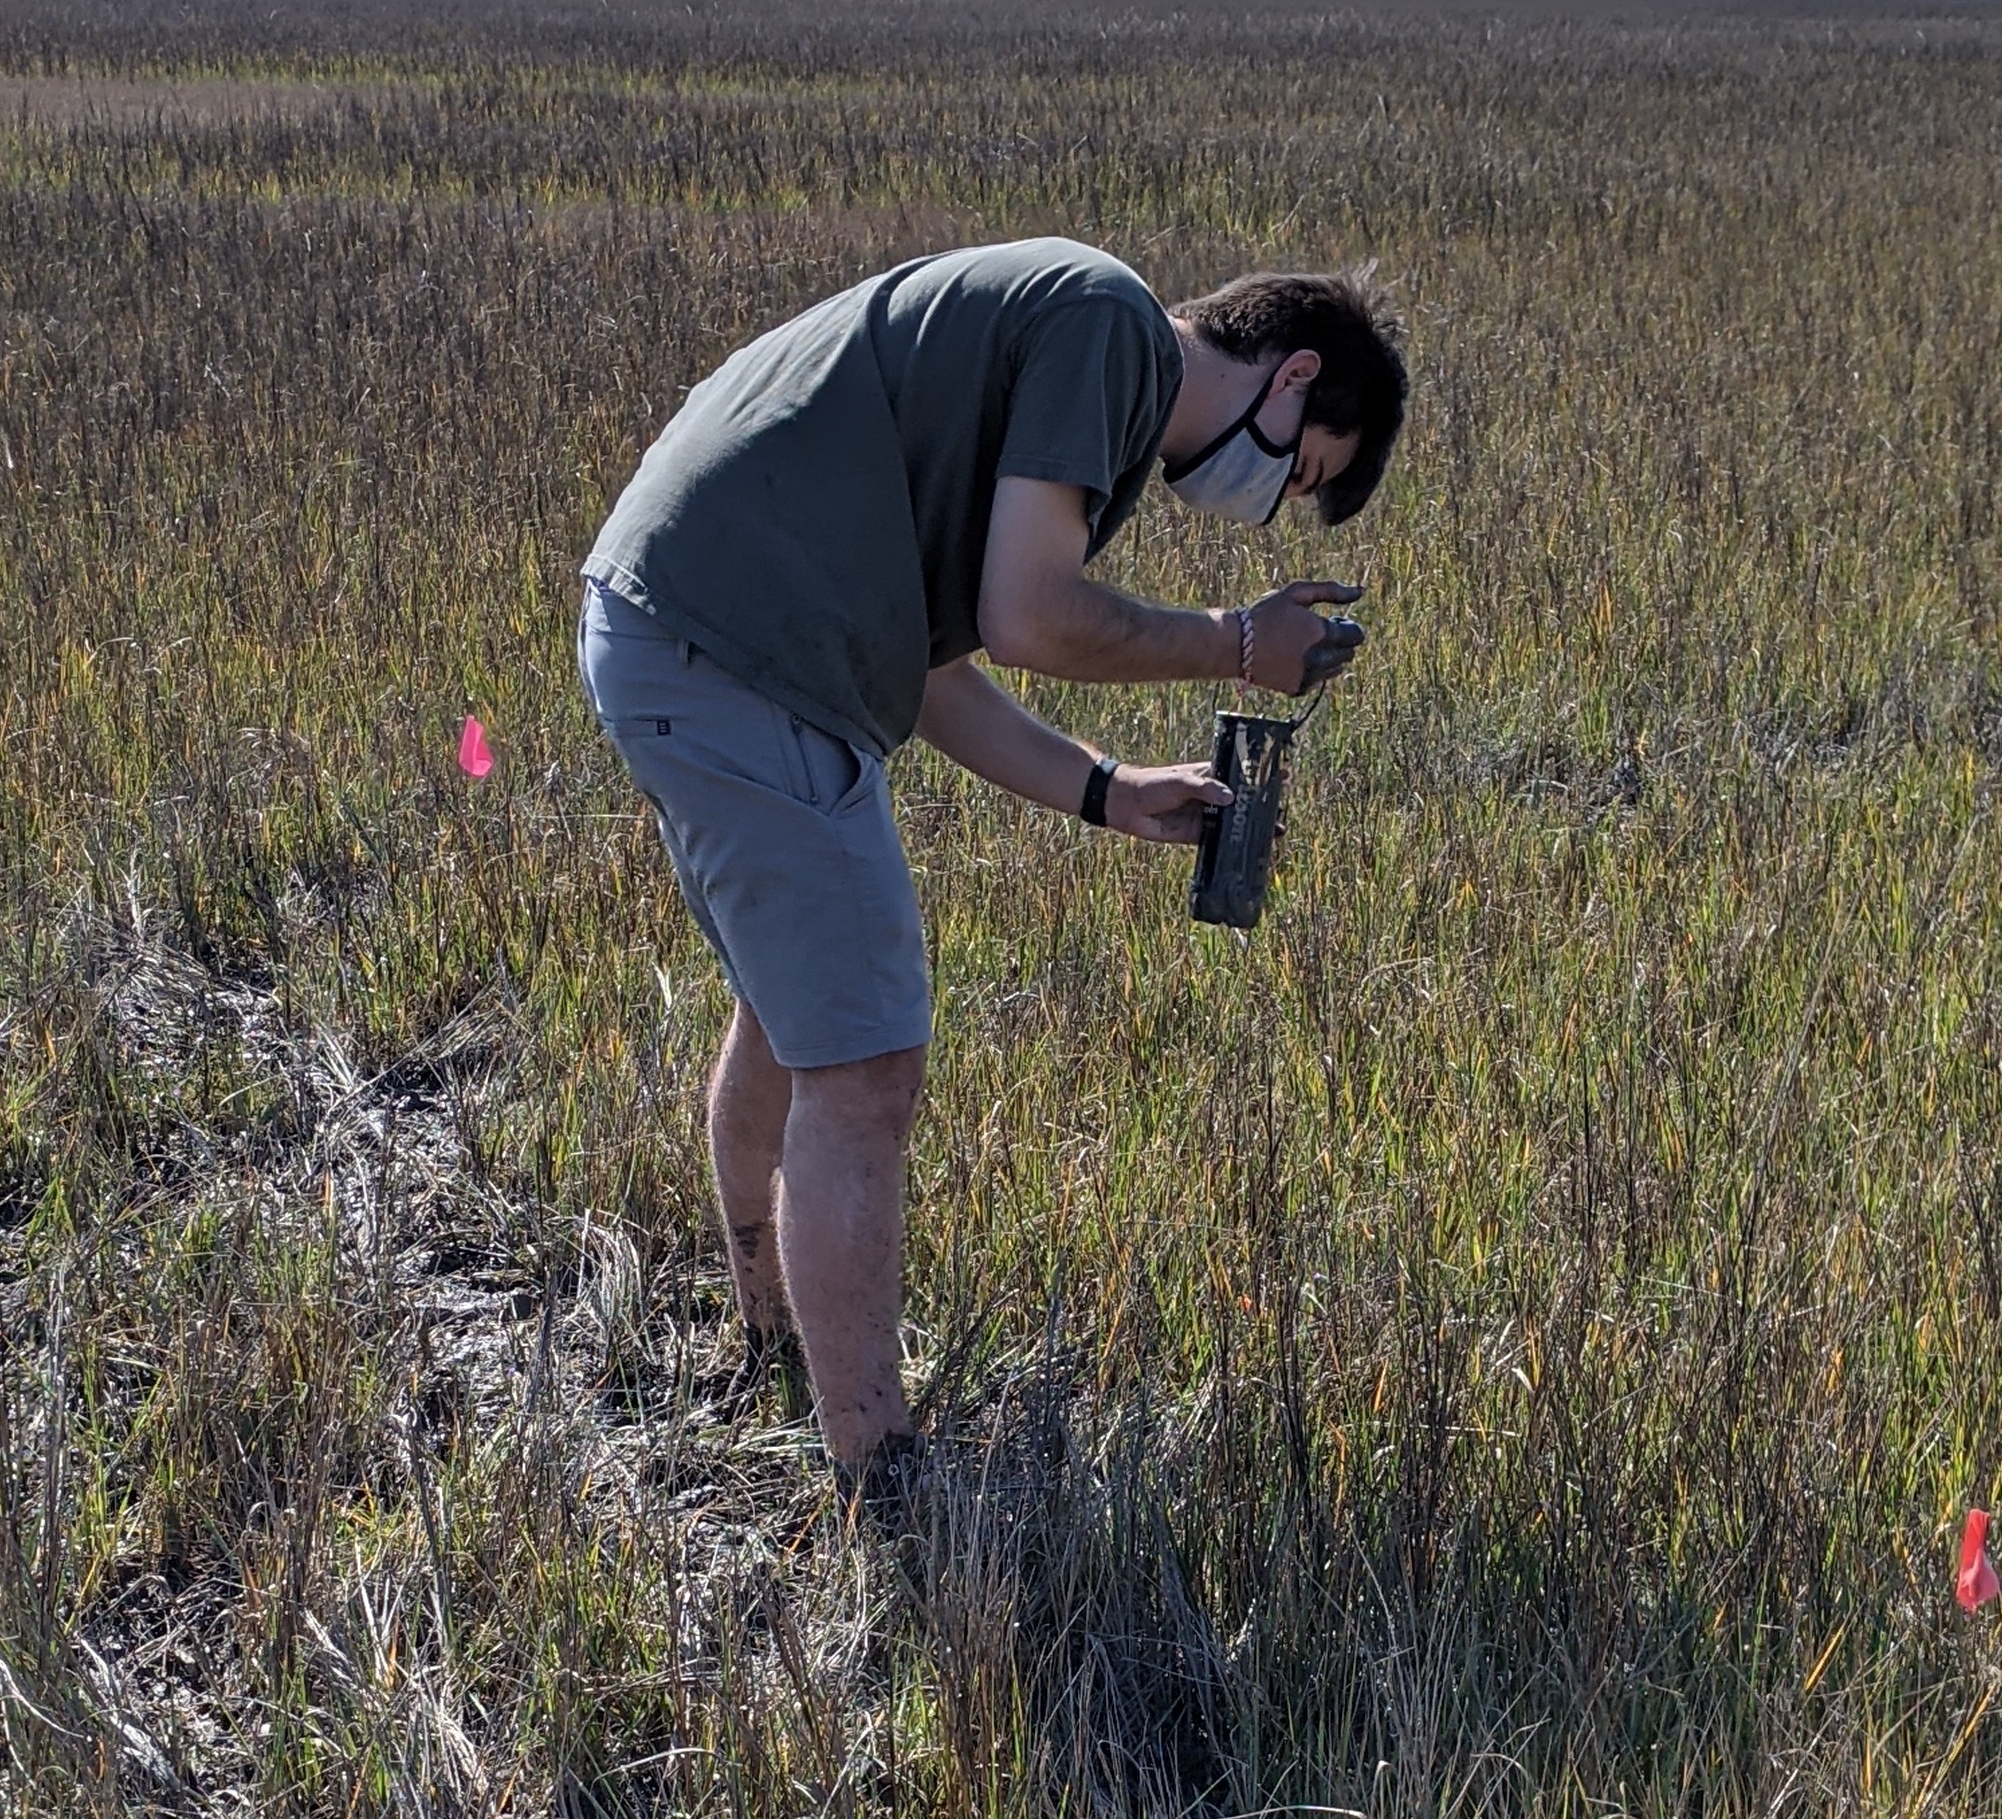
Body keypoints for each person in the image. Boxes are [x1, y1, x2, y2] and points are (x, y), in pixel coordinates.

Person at [573, 237, 1409, 1497]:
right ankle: (879, 1472)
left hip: (679, 619)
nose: (1273, 499)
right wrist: (1241, 643)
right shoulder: (1111, 330)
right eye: (1303, 471)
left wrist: (1105, 790)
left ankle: (763, 1327)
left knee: (798, 1005)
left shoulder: (1082, 371)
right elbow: (1030, 612)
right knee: (865, 1065)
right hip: (736, 643)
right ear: (1291, 376)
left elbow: (927, 663)